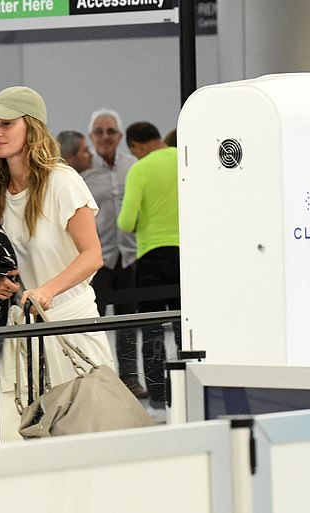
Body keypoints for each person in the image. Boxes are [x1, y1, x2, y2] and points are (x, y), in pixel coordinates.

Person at [0, 86, 115, 441]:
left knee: (84, 435)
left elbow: (92, 255)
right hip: (19, 330)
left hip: (70, 325)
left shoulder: (63, 182)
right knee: (11, 436)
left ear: (31, 127)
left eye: (6, 123)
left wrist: (47, 290)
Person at [81, 109, 146, 398]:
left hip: (130, 256)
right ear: (91, 136)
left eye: (110, 132)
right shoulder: (82, 172)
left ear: (120, 137)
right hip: (98, 259)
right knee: (95, 324)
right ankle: (96, 383)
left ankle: (130, 380)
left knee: (128, 323)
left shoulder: (133, 166)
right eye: (99, 131)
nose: (105, 137)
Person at [118, 121, 180, 409]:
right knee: (185, 327)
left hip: (151, 258)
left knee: (152, 329)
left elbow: (126, 221)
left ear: (135, 145)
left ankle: (157, 396)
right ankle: (187, 390)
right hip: (185, 257)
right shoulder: (183, 158)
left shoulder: (140, 169)